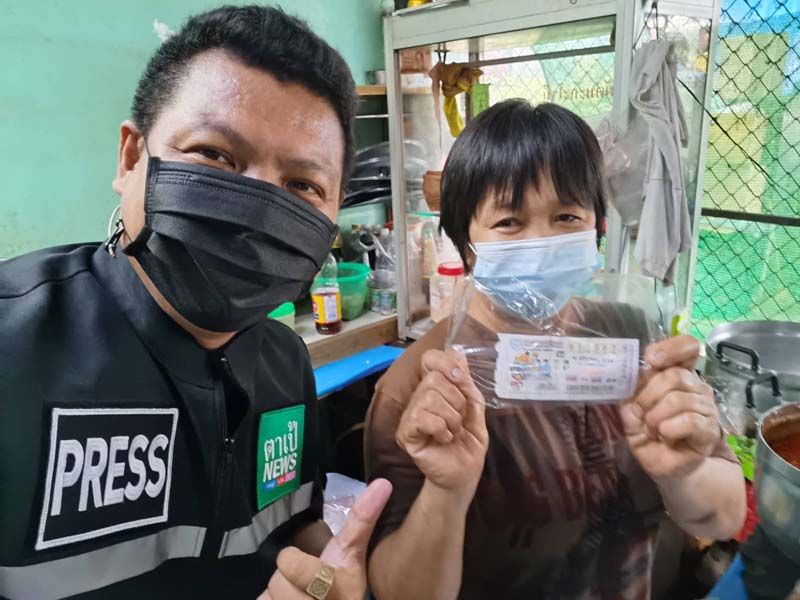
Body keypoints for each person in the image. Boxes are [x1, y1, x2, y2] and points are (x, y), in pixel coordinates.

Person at [0, 6, 391, 600]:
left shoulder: (285, 363)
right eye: (213, 154)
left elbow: (294, 532)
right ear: (131, 158)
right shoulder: (13, 348)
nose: (256, 207)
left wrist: (329, 579)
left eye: (303, 186)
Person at [365, 100, 746, 600]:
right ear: (465, 241)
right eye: (509, 222)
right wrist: (446, 493)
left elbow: (723, 519)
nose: (543, 240)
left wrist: (683, 471)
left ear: (597, 227)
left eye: (567, 216)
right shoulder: (419, 391)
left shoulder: (635, 337)